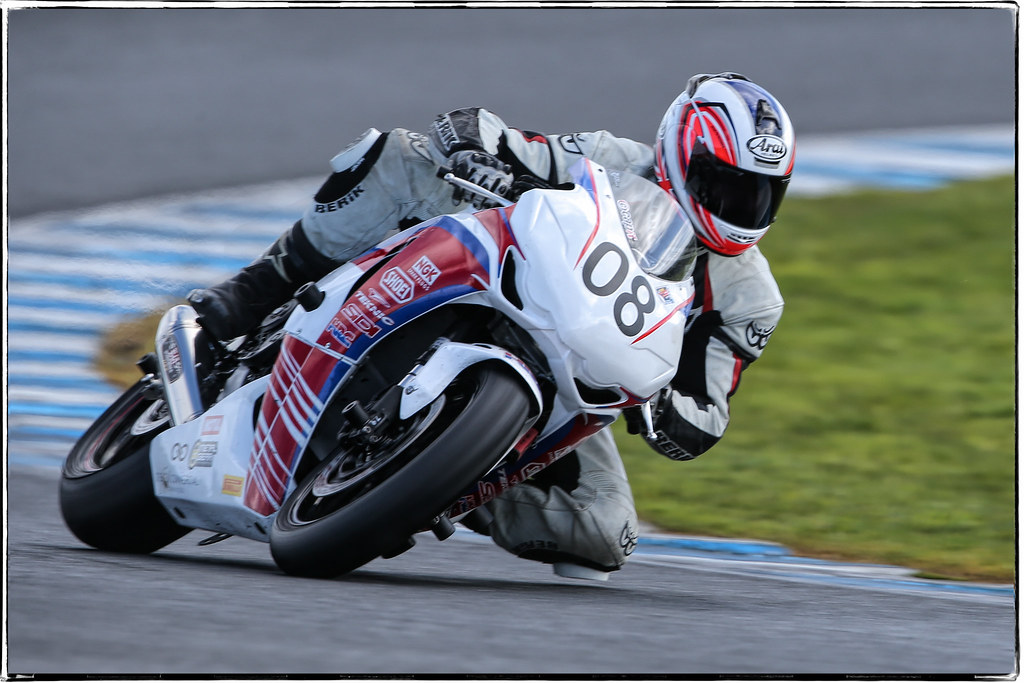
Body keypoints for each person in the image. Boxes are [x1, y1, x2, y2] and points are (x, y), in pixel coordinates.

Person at [188, 72, 793, 580]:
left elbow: (704, 420)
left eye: (761, 196)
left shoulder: (750, 300)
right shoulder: (612, 160)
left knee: (607, 535)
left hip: (570, 388)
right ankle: (252, 294)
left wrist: (661, 403)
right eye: (726, 186)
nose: (741, 210)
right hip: (492, 279)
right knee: (404, 158)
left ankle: (432, 481)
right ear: (681, 157)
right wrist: (478, 149)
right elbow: (486, 132)